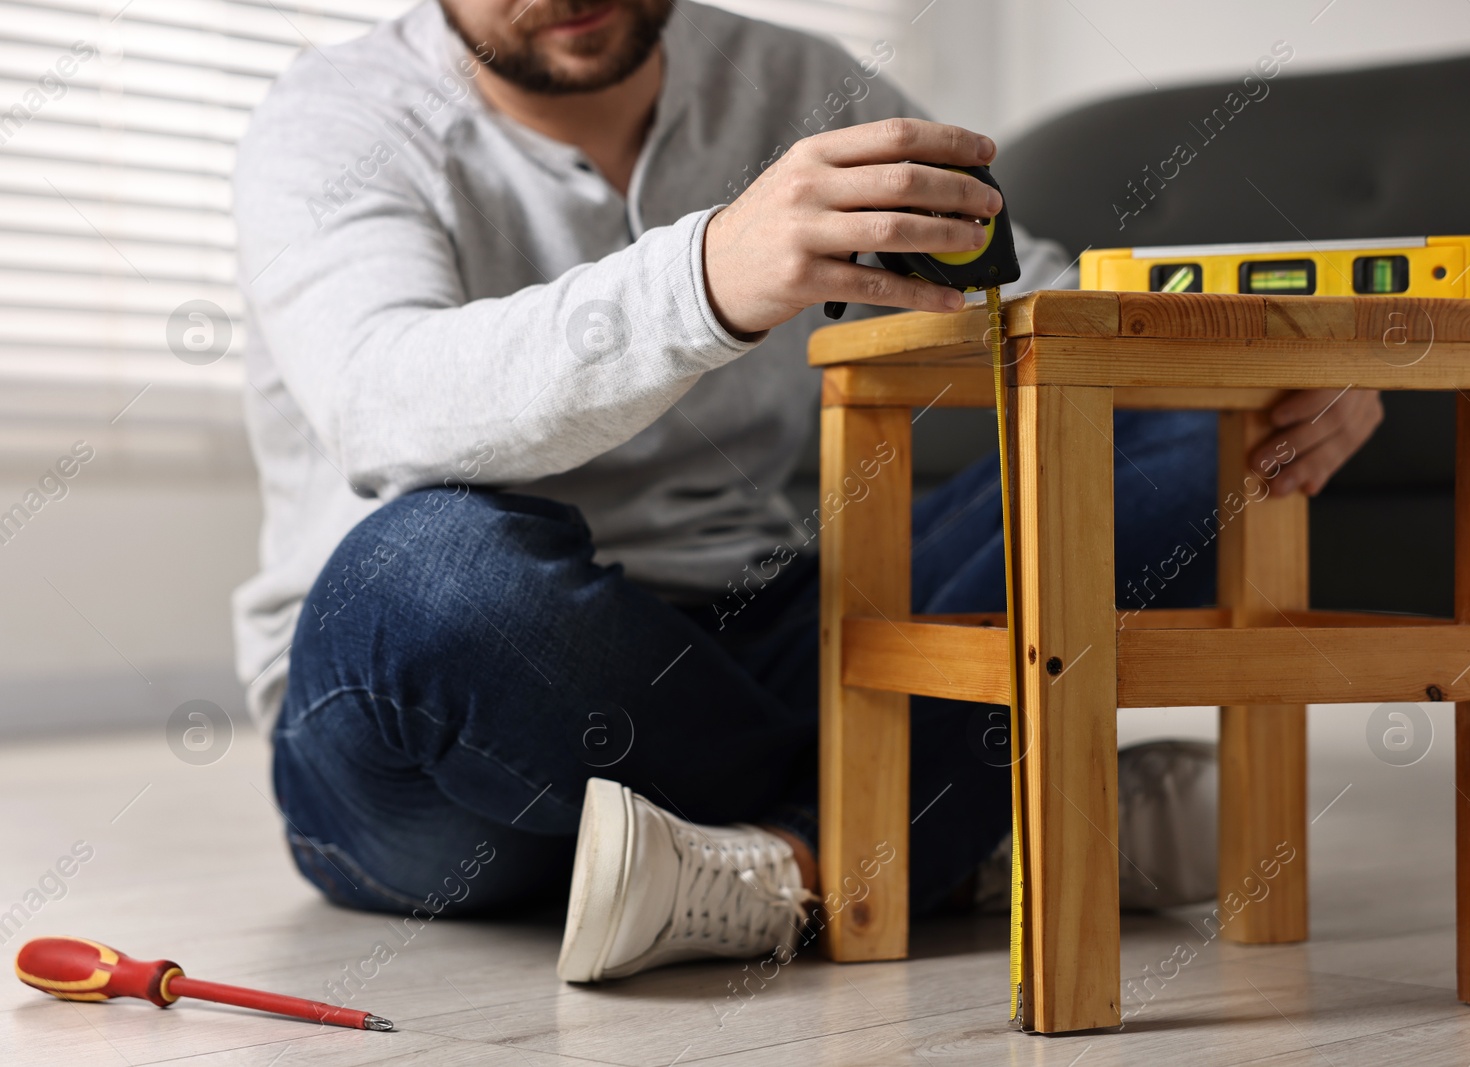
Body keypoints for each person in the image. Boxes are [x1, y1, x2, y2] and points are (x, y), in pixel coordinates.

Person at [232, 0, 1384, 981]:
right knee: (429, 575)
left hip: (764, 624)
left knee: (1209, 425)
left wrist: (1270, 357)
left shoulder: (800, 86)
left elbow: (1038, 307)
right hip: (460, 736)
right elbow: (380, 403)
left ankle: (795, 862)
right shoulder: (335, 121)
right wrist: (707, 275)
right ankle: (943, 820)